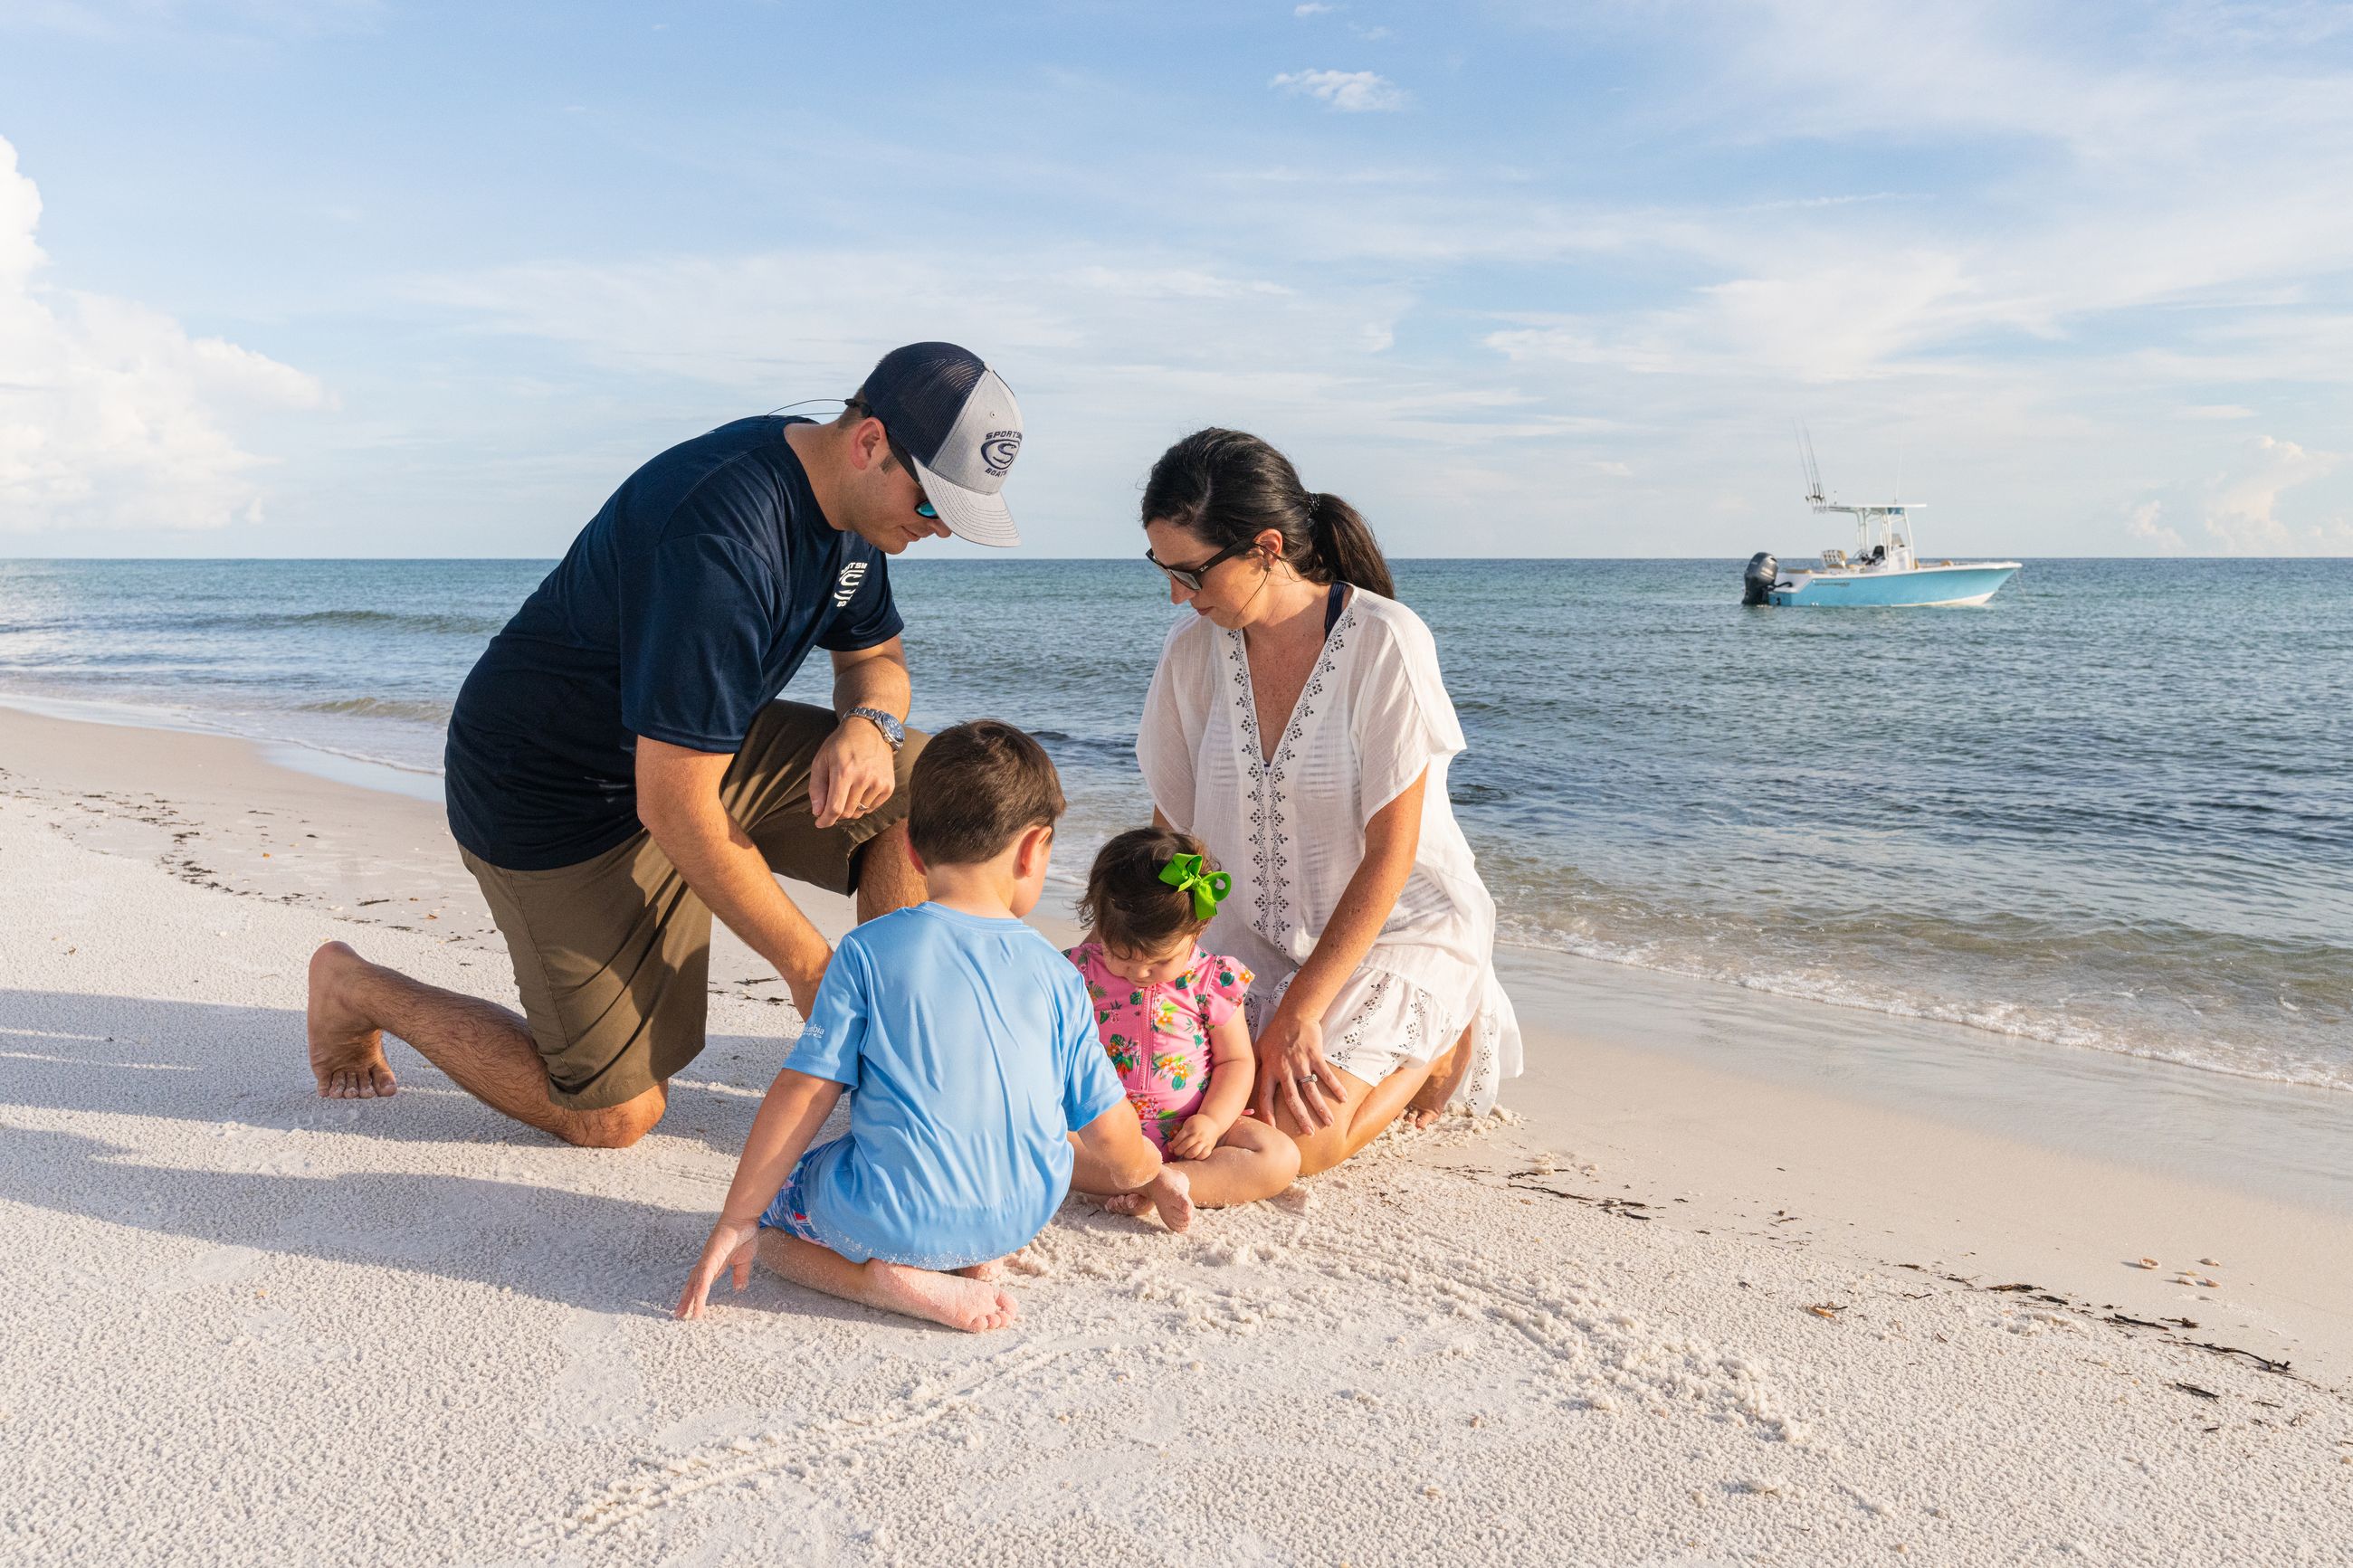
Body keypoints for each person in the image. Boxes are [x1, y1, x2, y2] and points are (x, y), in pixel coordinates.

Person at [304, 342, 1028, 1150]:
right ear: (870, 444)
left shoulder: (857, 517)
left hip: (682, 759)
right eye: (935, 508)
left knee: (938, 784)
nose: (941, 532)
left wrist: (871, 724)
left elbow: (875, 659)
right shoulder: (721, 539)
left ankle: (904, 1060)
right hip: (551, 799)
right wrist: (818, 975)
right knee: (611, 1116)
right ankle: (356, 987)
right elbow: (674, 806)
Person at [673, 721, 1162, 1333]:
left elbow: (806, 1091)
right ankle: (976, 1259)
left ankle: (883, 1279)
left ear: (909, 850)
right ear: (1035, 848)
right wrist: (1151, 1173)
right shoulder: (1059, 975)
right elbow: (1114, 1136)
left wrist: (736, 1218)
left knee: (772, 1222)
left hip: (892, 1216)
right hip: (1021, 1214)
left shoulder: (867, 952)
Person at [1132, 428, 1523, 1177]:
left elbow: (1393, 853)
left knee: (1290, 1138)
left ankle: (1440, 1035)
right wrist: (1150, 959)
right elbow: (1171, 842)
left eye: (1190, 572)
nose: (1177, 595)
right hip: (1246, 935)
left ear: (1267, 547)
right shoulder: (1190, 653)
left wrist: (1301, 1010)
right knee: (1172, 1100)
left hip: (1399, 929)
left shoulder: (1386, 641)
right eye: (1163, 569)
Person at [1062, 827, 1301, 1231]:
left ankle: (1173, 1182)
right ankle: (1149, 1183)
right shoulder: (1078, 974)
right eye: (1121, 956)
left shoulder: (1212, 981)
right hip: (1101, 1133)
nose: (1139, 972)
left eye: (1159, 961)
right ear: (1101, 926)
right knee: (1036, 1142)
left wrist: (1213, 1121)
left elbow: (1236, 1060)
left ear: (1198, 929)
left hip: (1187, 1135)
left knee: (1279, 1157)